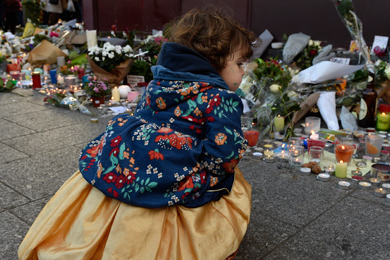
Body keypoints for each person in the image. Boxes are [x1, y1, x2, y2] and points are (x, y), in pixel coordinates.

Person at [18, 7, 259, 260]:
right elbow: (225, 153)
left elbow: (145, 117)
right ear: (213, 62)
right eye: (240, 63)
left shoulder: (160, 82)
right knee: (226, 179)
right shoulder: (222, 98)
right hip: (178, 168)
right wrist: (208, 181)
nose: (244, 71)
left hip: (136, 157)